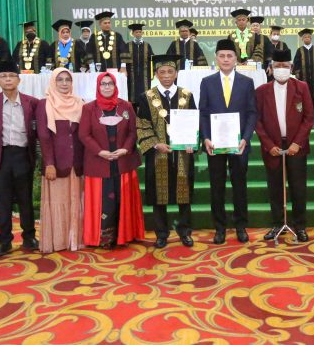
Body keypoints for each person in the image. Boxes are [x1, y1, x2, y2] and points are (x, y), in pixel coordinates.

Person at [199, 39, 258, 244]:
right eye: (222, 56)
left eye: (229, 56)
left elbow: (252, 113)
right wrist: (205, 137)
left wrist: (246, 138)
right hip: (214, 145)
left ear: (236, 59)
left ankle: (241, 226)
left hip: (239, 145)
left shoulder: (246, 82)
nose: (225, 59)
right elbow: (203, 113)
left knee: (239, 186)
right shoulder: (207, 82)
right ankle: (220, 228)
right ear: (216, 58)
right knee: (217, 187)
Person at [135, 54, 196, 248]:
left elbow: (193, 122)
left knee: (184, 193)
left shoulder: (187, 95)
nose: (167, 75)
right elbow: (142, 125)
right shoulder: (146, 97)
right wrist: (155, 144)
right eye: (162, 72)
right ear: (156, 74)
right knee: (158, 194)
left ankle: (185, 232)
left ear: (176, 73)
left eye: (170, 71)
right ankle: (161, 233)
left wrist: (192, 142)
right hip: (158, 154)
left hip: (183, 153)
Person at [255, 49, 314, 242]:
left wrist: (298, 143)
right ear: (271, 68)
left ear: (291, 67)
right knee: (275, 187)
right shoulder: (261, 91)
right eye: (277, 66)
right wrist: (268, 144)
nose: (281, 69)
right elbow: (257, 120)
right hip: (273, 146)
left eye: (285, 66)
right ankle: (277, 224)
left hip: (296, 146)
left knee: (298, 187)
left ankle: (300, 226)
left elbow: (309, 118)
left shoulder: (302, 87)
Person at [0, 61, 39, 256]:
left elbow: (36, 131)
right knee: (2, 200)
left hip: (23, 155)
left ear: (19, 80)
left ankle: (29, 237)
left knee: (25, 199)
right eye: (3, 76)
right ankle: (4, 240)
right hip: (1, 156)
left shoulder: (32, 102)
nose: (8, 79)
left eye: (12, 76)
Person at [79, 73, 143, 248]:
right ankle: (104, 238)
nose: (107, 87)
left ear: (115, 86)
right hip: (99, 163)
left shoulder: (126, 106)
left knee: (122, 199)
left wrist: (125, 149)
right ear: (98, 87)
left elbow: (133, 131)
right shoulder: (89, 108)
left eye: (110, 84)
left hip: (123, 162)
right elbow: (84, 134)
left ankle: (125, 235)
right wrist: (100, 152)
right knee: (105, 201)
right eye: (103, 84)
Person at [36, 68, 85, 253]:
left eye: (68, 80)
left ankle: (76, 240)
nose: (64, 83)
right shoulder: (45, 104)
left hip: (77, 163)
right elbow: (43, 136)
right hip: (56, 164)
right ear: (53, 82)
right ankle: (58, 241)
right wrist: (49, 163)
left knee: (76, 201)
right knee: (58, 201)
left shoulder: (80, 103)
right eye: (60, 80)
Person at [292, 28, 314, 104]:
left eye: (308, 37)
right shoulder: (300, 50)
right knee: (303, 93)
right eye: (305, 37)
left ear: (311, 38)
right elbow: (296, 62)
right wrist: (297, 72)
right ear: (302, 39)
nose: (307, 38)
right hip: (303, 75)